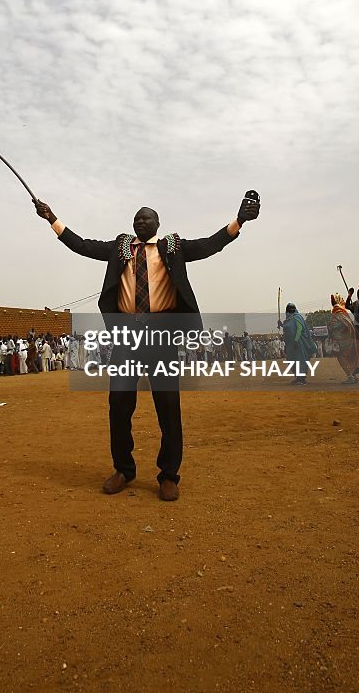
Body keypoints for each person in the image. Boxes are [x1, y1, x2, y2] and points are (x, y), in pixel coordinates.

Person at [34, 195, 260, 501]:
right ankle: (123, 470)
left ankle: (169, 476)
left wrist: (239, 221)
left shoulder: (173, 247)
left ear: (158, 224)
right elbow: (83, 245)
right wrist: (52, 218)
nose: (140, 221)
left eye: (147, 218)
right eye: (137, 218)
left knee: (167, 405)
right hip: (127, 335)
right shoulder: (119, 247)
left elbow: (209, 245)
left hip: (162, 335)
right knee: (119, 403)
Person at [327, 294, 359, 384]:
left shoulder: (338, 312)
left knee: (342, 358)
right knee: (348, 358)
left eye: (333, 300)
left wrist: (332, 327)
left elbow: (343, 324)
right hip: (346, 340)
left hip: (343, 341)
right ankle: (353, 376)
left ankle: (350, 376)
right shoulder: (343, 312)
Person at [279, 304, 317, 385]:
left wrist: (296, 340)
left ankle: (301, 379)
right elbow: (289, 328)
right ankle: (298, 377)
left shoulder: (297, 317)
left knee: (300, 359)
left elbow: (299, 328)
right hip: (291, 345)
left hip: (299, 343)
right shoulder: (289, 319)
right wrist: (281, 325)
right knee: (292, 359)